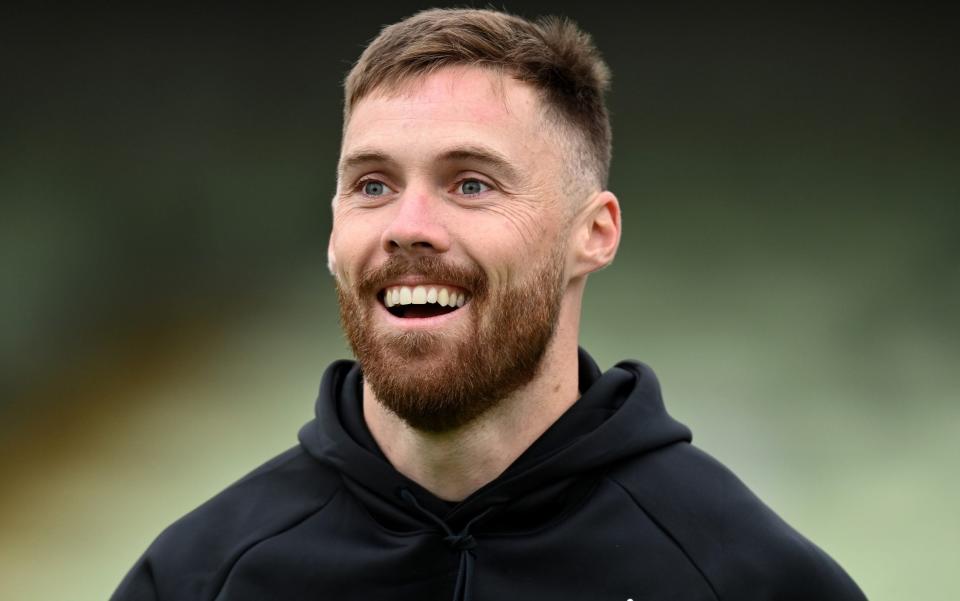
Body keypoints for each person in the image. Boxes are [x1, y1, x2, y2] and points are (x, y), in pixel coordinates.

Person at [112, 8, 866, 601]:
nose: (408, 226)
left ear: (594, 233)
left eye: (471, 183)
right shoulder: (199, 576)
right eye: (372, 184)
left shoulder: (745, 579)